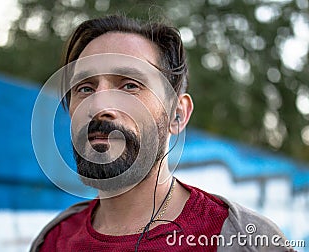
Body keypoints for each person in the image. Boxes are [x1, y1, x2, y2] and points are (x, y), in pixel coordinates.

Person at [30, 15, 291, 252]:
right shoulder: (52, 241)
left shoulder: (241, 240)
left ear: (177, 115)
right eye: (85, 88)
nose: (99, 106)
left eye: (130, 85)